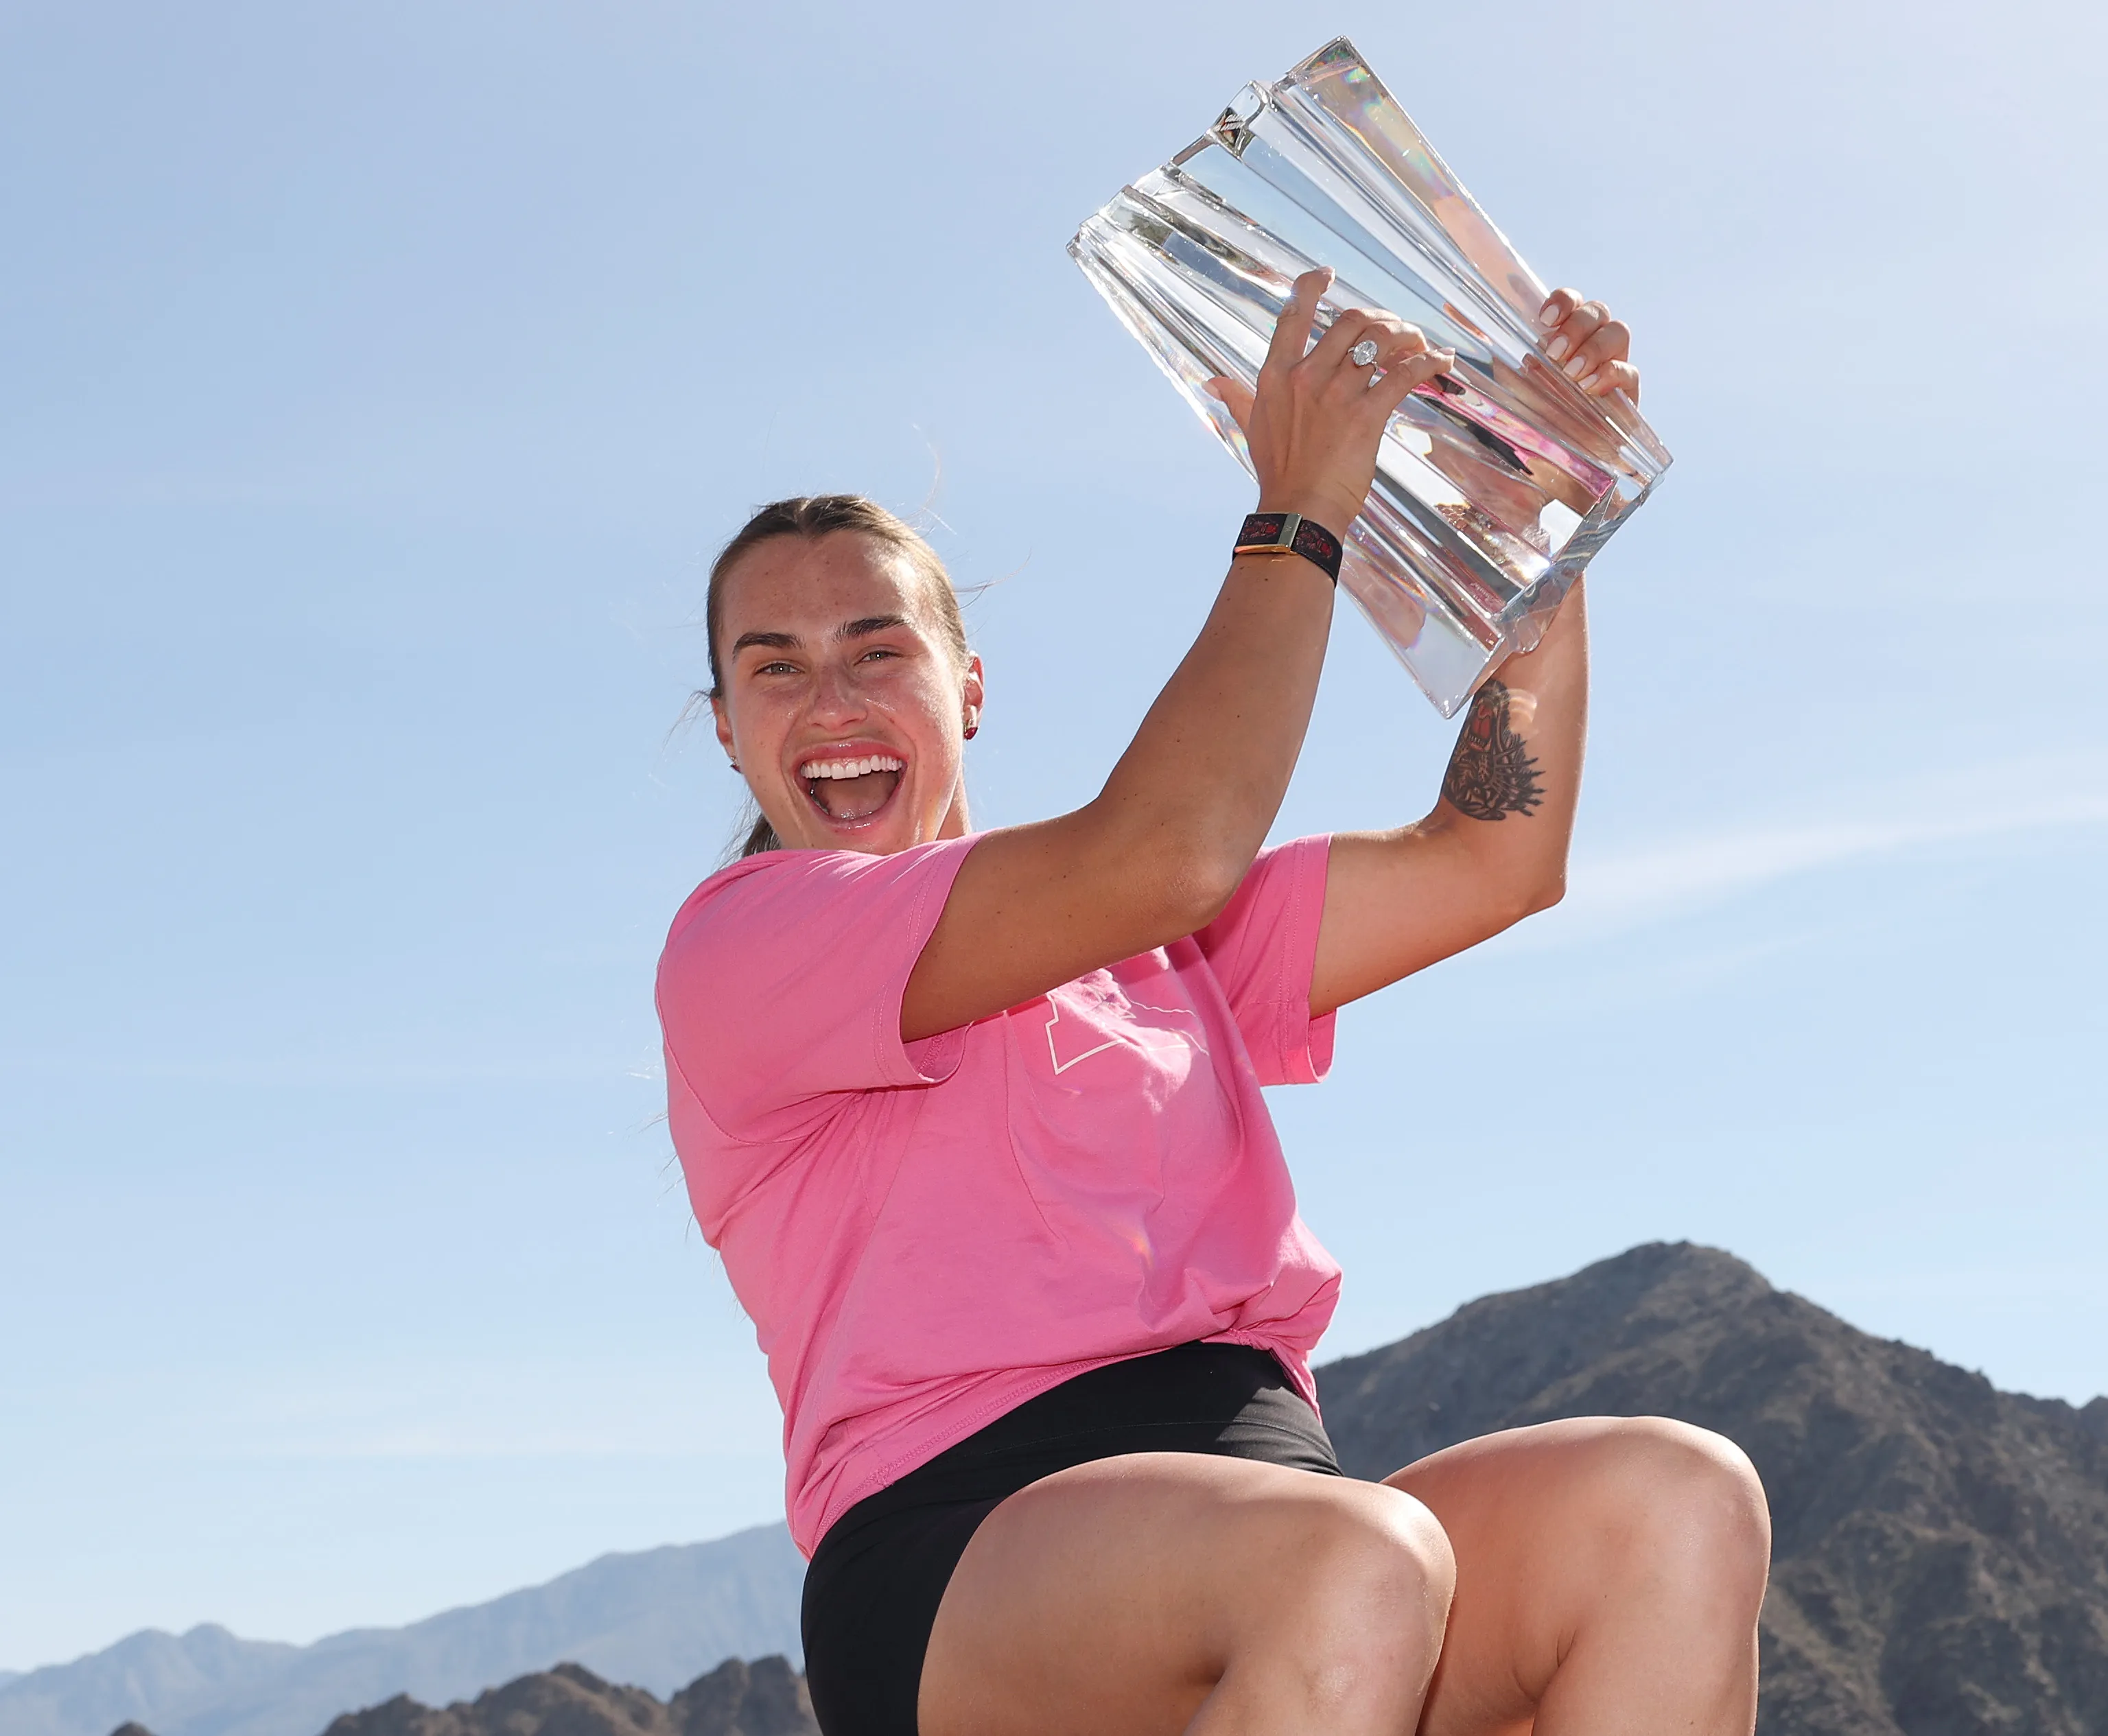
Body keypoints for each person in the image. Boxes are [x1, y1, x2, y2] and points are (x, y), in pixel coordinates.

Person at [656, 271, 1772, 1736]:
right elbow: (1172, 848)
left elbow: (1494, 855)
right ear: (729, 731)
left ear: (967, 686)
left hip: (1280, 1519)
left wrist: (1534, 534)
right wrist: (1298, 507)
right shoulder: (746, 947)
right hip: (962, 1549)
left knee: (1674, 1496)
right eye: (774, 670)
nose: (833, 699)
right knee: (1348, 1561)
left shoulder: (1143, 943)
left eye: (879, 648)